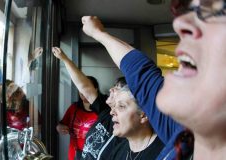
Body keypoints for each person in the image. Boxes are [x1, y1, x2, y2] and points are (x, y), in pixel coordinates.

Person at [81, 0, 226, 158]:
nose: (179, 23)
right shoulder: (184, 135)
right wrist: (98, 34)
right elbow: (141, 73)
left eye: (218, 13)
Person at [52, 47, 122, 159]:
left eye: (117, 88)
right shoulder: (105, 110)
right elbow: (84, 87)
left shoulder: (121, 125)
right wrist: (64, 59)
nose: (111, 90)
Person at [106, 85, 164, 160]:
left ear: (144, 115)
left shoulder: (164, 152)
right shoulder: (117, 151)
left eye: (121, 106)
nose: (112, 112)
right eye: (114, 106)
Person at [56, 76, 98, 160]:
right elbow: (62, 124)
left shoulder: (103, 111)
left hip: (94, 155)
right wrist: (59, 127)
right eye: (81, 88)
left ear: (96, 89)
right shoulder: (74, 108)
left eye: (87, 87)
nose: (83, 91)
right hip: (74, 154)